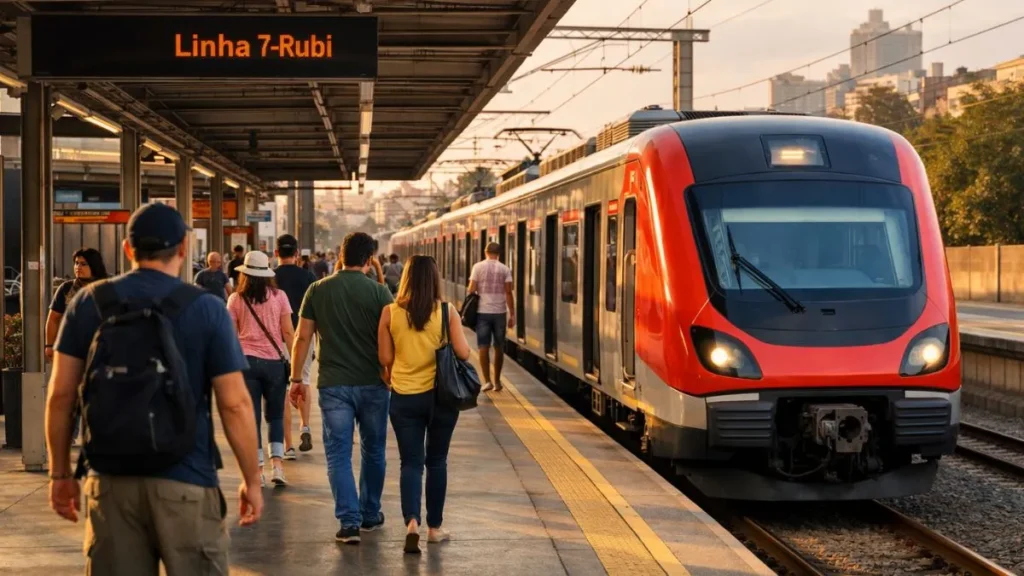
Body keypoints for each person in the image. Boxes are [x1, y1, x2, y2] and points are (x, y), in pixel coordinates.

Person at [44, 202, 262, 575]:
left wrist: (60, 475)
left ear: (128, 250)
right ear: (182, 249)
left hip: (111, 483)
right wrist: (251, 481)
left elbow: (61, 397)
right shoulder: (206, 308)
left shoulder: (88, 302)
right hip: (187, 479)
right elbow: (236, 405)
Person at [289, 232, 394, 544]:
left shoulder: (317, 289)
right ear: (368, 258)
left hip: (334, 385)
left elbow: (302, 338)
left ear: (341, 255)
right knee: (374, 449)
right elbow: (393, 336)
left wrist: (296, 379)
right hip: (374, 384)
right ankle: (370, 514)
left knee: (338, 453)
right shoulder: (379, 293)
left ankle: (349, 523)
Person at [378, 255, 471, 554]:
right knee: (437, 461)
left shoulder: (389, 313)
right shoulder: (447, 312)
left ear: (405, 278)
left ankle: (411, 524)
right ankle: (434, 528)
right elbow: (465, 353)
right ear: (434, 279)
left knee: (411, 463)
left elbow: (386, 360)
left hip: (404, 397)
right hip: (441, 398)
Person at [227, 251, 295, 488]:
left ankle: (258, 471)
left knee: (251, 417)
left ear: (244, 274)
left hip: (245, 363)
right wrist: (294, 359)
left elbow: (230, 336)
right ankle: (277, 465)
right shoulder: (280, 296)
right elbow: (287, 331)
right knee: (275, 416)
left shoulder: (236, 299)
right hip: (275, 364)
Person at [273, 234, 317, 459]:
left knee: (281, 389)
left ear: (275, 253)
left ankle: (287, 443)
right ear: (297, 254)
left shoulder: (269, 278)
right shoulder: (308, 277)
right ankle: (305, 425)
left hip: (275, 340)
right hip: (303, 337)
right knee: (303, 380)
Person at [45, 247, 109, 361]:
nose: (78, 267)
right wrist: (49, 345)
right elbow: (53, 318)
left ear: (94, 266)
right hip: (71, 349)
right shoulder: (66, 288)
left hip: (102, 348)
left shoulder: (107, 287)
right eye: (76, 263)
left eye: (83, 264)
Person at [467, 242, 515, 391]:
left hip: (482, 312)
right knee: (499, 347)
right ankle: (498, 381)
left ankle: (487, 381)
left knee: (483, 347)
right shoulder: (505, 269)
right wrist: (512, 314)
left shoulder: (477, 267)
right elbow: (508, 292)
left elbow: (471, 289)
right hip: (500, 313)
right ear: (499, 253)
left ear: (485, 251)